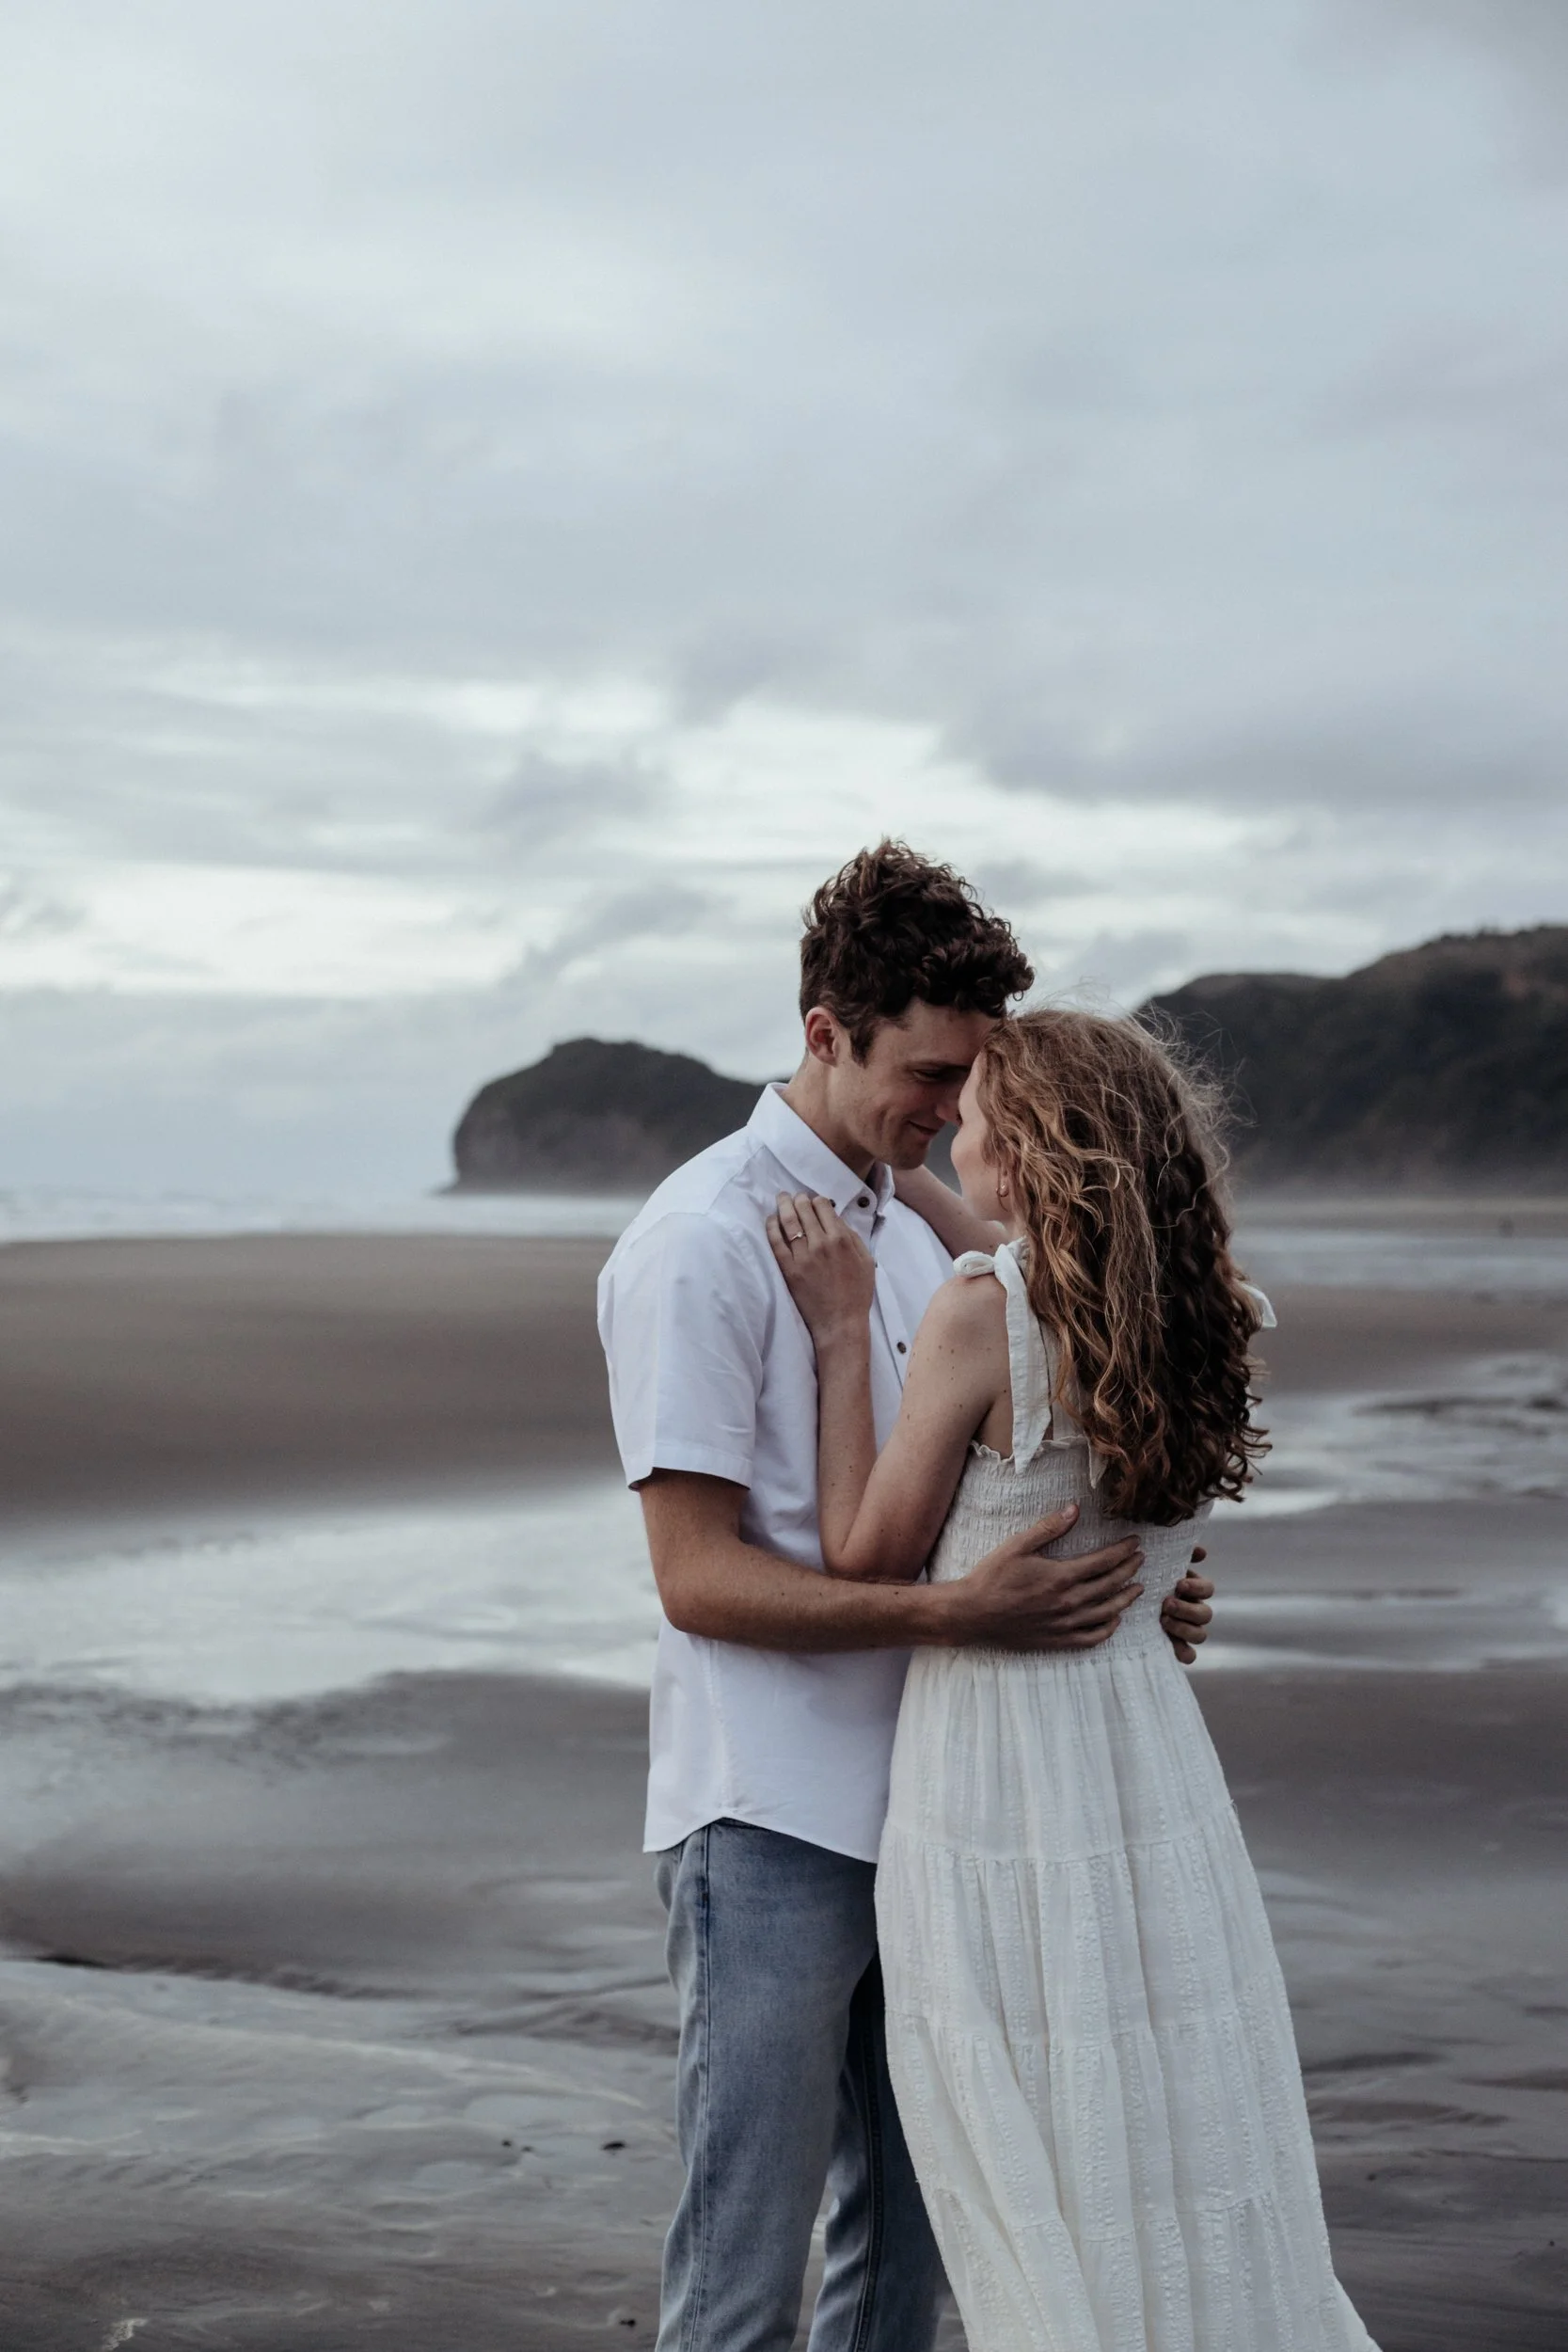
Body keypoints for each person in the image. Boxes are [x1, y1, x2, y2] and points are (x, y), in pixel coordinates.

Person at [596, 845, 1217, 2352]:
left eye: (969, 1084)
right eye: (928, 1075)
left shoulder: (909, 1221)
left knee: (913, 2251)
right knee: (744, 2262)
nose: (949, 1113)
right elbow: (695, 1579)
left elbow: (1001, 1473)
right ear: (826, 1034)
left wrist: (1117, 1603)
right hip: (776, 1818)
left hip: (949, 1806)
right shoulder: (701, 1242)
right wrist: (962, 1620)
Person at [767, 1006, 1380, 2352]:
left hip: (1001, 1768)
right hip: (1147, 1756)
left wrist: (834, 1335)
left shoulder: (979, 1315)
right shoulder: (1203, 1313)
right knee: (1161, 2112)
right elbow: (1155, 1545)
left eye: (973, 1122)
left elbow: (867, 1556)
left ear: (1027, 1154)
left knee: (1017, 2123)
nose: (953, 1138)